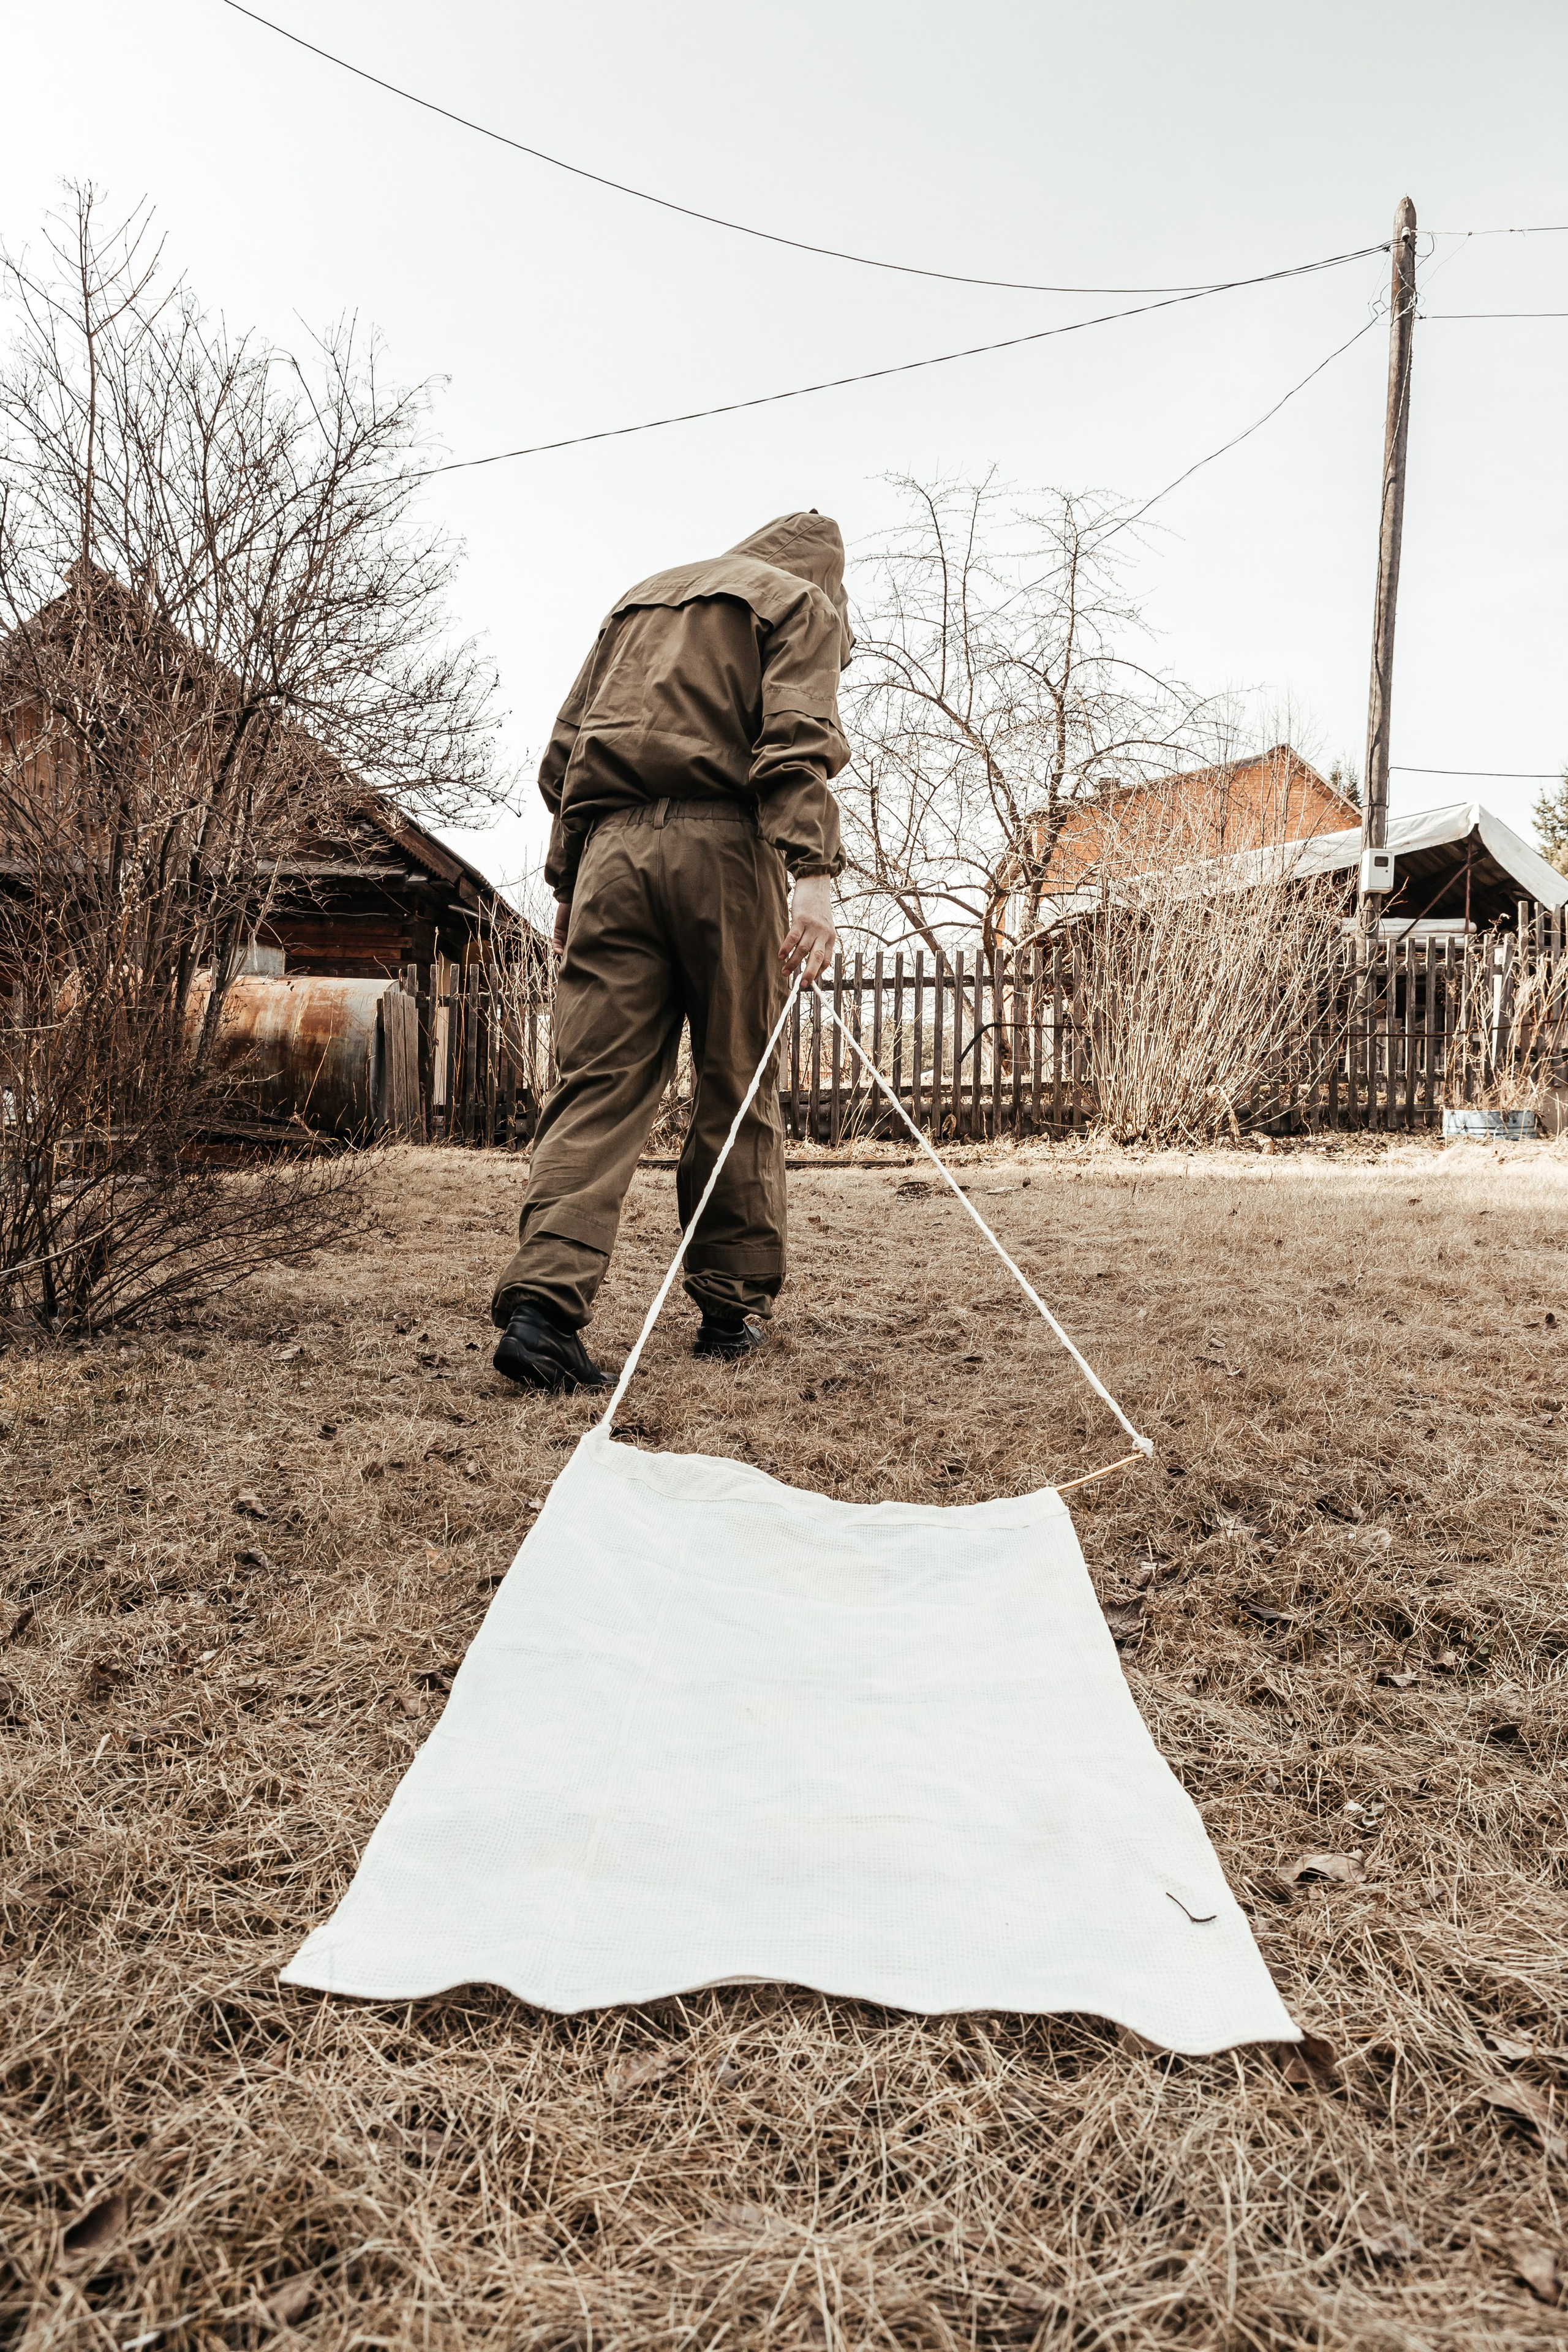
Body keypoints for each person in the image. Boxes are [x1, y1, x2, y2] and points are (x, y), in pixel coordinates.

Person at [491, 510, 851, 1393]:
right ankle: (730, 1314)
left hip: (610, 854)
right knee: (737, 1077)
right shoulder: (800, 602)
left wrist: (571, 881)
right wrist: (813, 871)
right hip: (726, 851)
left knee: (596, 1084)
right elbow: (795, 740)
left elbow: (565, 758)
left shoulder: (637, 604)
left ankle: (542, 1311)